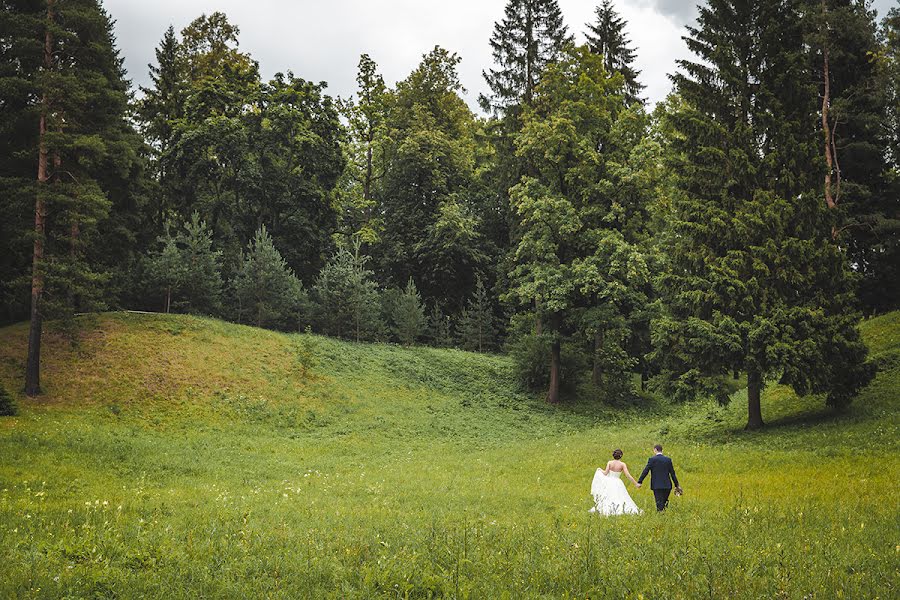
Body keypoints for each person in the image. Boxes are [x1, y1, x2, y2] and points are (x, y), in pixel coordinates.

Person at [589, 448, 642, 515]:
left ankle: (608, 508)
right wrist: (636, 483)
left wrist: (600, 469)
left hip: (609, 482)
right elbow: (628, 475)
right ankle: (619, 508)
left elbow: (605, 473)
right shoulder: (622, 464)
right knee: (620, 496)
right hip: (617, 482)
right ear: (621, 456)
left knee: (608, 496)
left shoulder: (610, 463)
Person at [637, 443, 682, 512]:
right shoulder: (668, 460)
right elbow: (672, 473)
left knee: (659, 501)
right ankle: (664, 514)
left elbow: (646, 471)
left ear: (655, 450)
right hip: (667, 485)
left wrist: (640, 481)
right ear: (662, 450)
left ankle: (661, 514)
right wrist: (677, 485)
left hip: (656, 485)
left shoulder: (652, 459)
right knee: (665, 500)